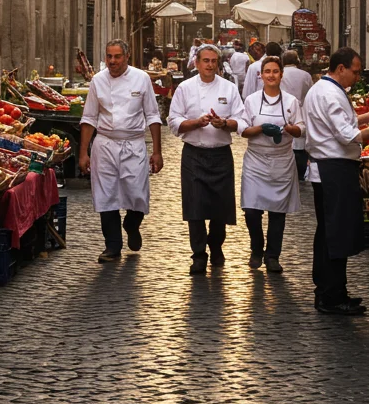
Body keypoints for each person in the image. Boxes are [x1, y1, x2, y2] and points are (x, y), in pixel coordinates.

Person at [304, 47, 369, 315]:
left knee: (328, 233)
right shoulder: (330, 94)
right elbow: (347, 135)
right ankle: (332, 296)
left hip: (330, 168)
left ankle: (330, 290)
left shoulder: (324, 89)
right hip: (333, 169)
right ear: (341, 68)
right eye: (355, 72)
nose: (357, 77)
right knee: (336, 233)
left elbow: (341, 125)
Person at [79, 39, 164, 263]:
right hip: (105, 143)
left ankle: (132, 224)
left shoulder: (141, 78)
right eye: (109, 56)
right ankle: (112, 246)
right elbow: (89, 118)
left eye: (117, 57)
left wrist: (157, 151)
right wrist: (83, 153)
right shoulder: (98, 81)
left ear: (127, 57)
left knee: (137, 193)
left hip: (134, 144)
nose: (113, 61)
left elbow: (153, 116)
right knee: (106, 195)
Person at [168, 43, 245, 274]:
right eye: (205, 61)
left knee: (221, 207)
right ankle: (199, 255)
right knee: (195, 206)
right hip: (194, 153)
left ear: (218, 64)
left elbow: (241, 120)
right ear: (197, 63)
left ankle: (216, 244)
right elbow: (173, 122)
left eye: (213, 61)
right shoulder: (184, 88)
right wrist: (195, 123)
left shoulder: (229, 88)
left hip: (221, 154)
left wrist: (224, 124)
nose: (209, 65)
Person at [238, 56, 304, 273]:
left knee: (278, 212)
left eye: (275, 71)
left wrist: (290, 129)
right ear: (261, 75)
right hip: (256, 160)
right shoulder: (251, 101)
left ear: (281, 74)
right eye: (267, 71)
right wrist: (260, 129)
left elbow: (301, 129)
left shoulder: (292, 102)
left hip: (282, 160)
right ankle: (257, 248)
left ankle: (273, 255)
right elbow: (243, 130)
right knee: (251, 211)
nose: (271, 75)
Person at [280, 49, 314, 181]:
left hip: (283, 110)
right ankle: (300, 173)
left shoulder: (281, 74)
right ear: (297, 61)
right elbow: (310, 94)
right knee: (300, 143)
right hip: (301, 110)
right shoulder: (305, 75)